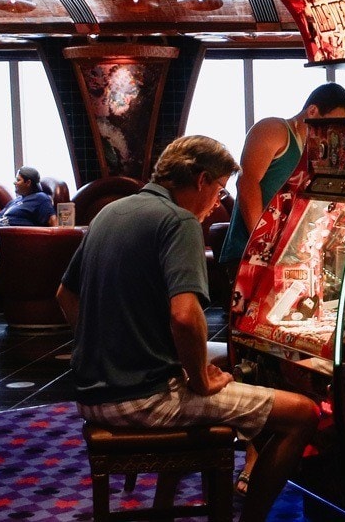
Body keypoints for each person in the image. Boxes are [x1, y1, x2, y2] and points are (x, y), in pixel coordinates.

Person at [57, 136, 318, 522]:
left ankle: (167, 504)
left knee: (217, 372)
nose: (216, 203)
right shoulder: (179, 222)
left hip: (92, 393)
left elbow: (65, 295)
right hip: (141, 399)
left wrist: (104, 347)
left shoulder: (110, 213)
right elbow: (184, 316)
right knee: (302, 413)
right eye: (219, 189)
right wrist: (198, 377)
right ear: (201, 179)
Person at [220, 83, 345, 267]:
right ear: (313, 111)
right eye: (332, 123)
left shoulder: (317, 150)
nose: (334, 131)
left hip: (290, 256)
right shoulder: (274, 129)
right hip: (249, 254)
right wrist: (262, 245)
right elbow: (247, 184)